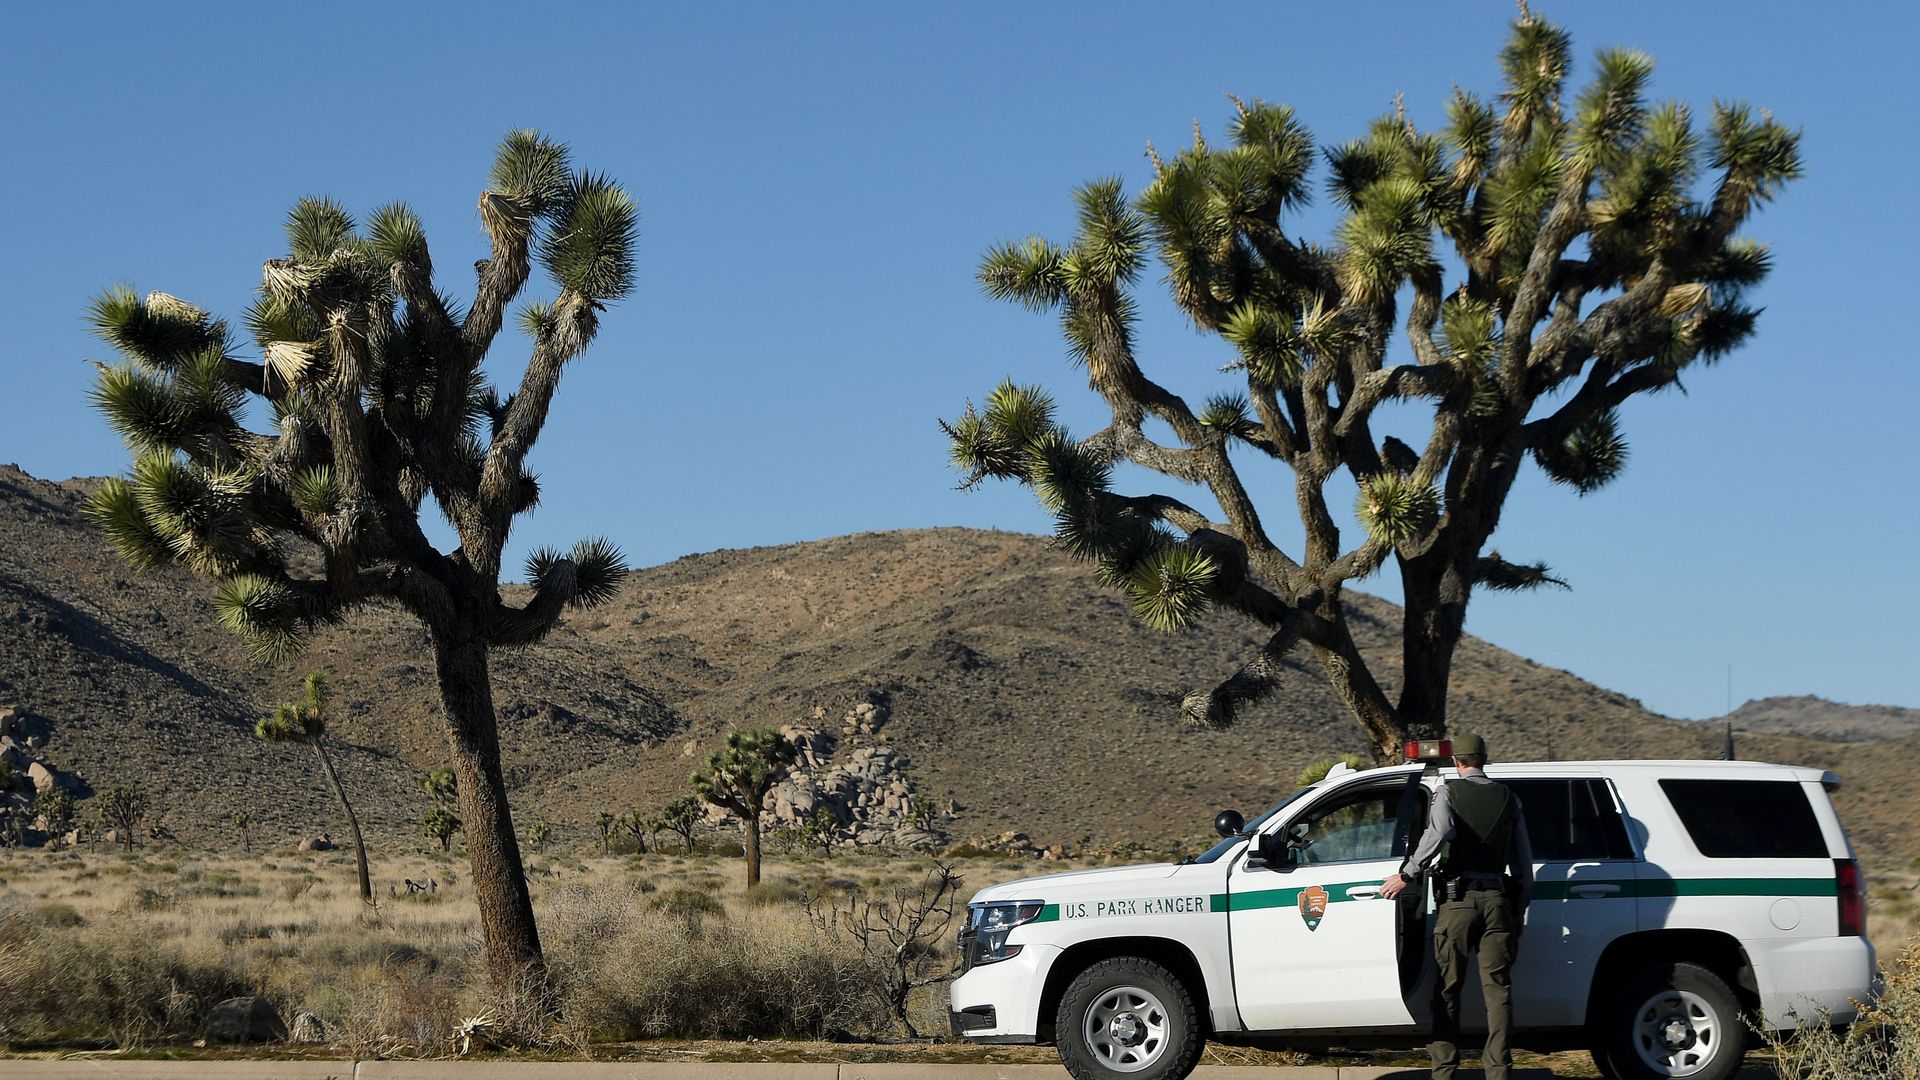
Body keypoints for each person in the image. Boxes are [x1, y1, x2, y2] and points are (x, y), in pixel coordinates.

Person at [1380, 733, 1534, 1080]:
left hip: (1459, 902)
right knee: (1498, 990)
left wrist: (1408, 873)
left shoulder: (1448, 792)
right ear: (1484, 759)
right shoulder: (1509, 799)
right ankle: (1498, 1071)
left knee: (1448, 988)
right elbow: (1524, 864)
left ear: (1457, 761)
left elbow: (1441, 831)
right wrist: (1519, 908)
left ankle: (1445, 1070)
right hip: (1498, 902)